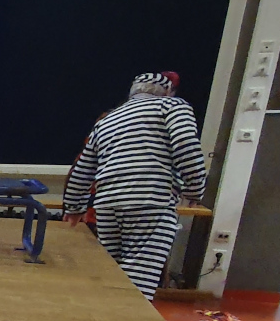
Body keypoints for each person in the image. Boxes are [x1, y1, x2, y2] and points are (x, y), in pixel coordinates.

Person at [63, 72, 208, 299]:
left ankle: (106, 319)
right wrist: (194, 190)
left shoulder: (110, 118)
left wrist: (74, 207)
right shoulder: (172, 106)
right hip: (150, 200)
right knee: (139, 279)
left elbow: (83, 167)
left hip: (107, 204)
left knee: (112, 274)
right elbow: (186, 146)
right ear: (168, 92)